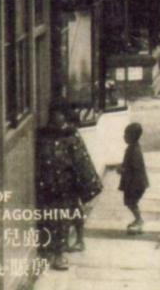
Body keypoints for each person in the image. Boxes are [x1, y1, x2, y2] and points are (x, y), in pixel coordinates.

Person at [35, 100, 103, 270]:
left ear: (65, 116)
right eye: (53, 114)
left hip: (68, 184)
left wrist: (88, 184)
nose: (55, 117)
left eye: (59, 114)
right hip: (50, 184)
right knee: (57, 217)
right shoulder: (44, 135)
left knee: (66, 217)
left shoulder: (71, 135)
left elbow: (82, 160)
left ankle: (62, 252)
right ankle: (58, 249)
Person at [119, 122, 149, 235]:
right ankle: (138, 219)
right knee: (131, 202)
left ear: (132, 136)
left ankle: (139, 220)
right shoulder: (132, 148)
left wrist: (122, 170)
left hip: (135, 184)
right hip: (134, 183)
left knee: (131, 202)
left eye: (126, 135)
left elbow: (134, 168)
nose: (124, 137)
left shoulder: (134, 150)